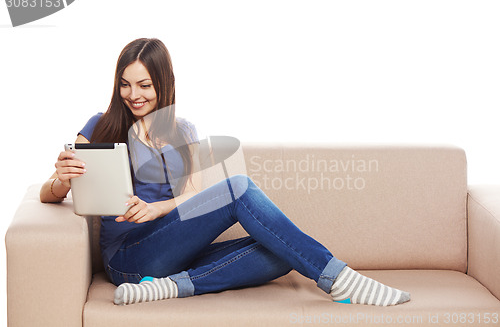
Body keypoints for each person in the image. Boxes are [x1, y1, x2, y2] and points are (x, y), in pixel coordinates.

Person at [40, 38, 411, 307]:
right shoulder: (99, 125)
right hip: (127, 258)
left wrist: (157, 208)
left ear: (163, 84)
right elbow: (49, 193)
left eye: (144, 85)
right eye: (125, 84)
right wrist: (61, 179)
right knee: (238, 186)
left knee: (282, 251)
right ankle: (339, 278)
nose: (133, 94)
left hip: (173, 251)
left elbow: (194, 198)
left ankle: (169, 287)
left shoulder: (181, 131)